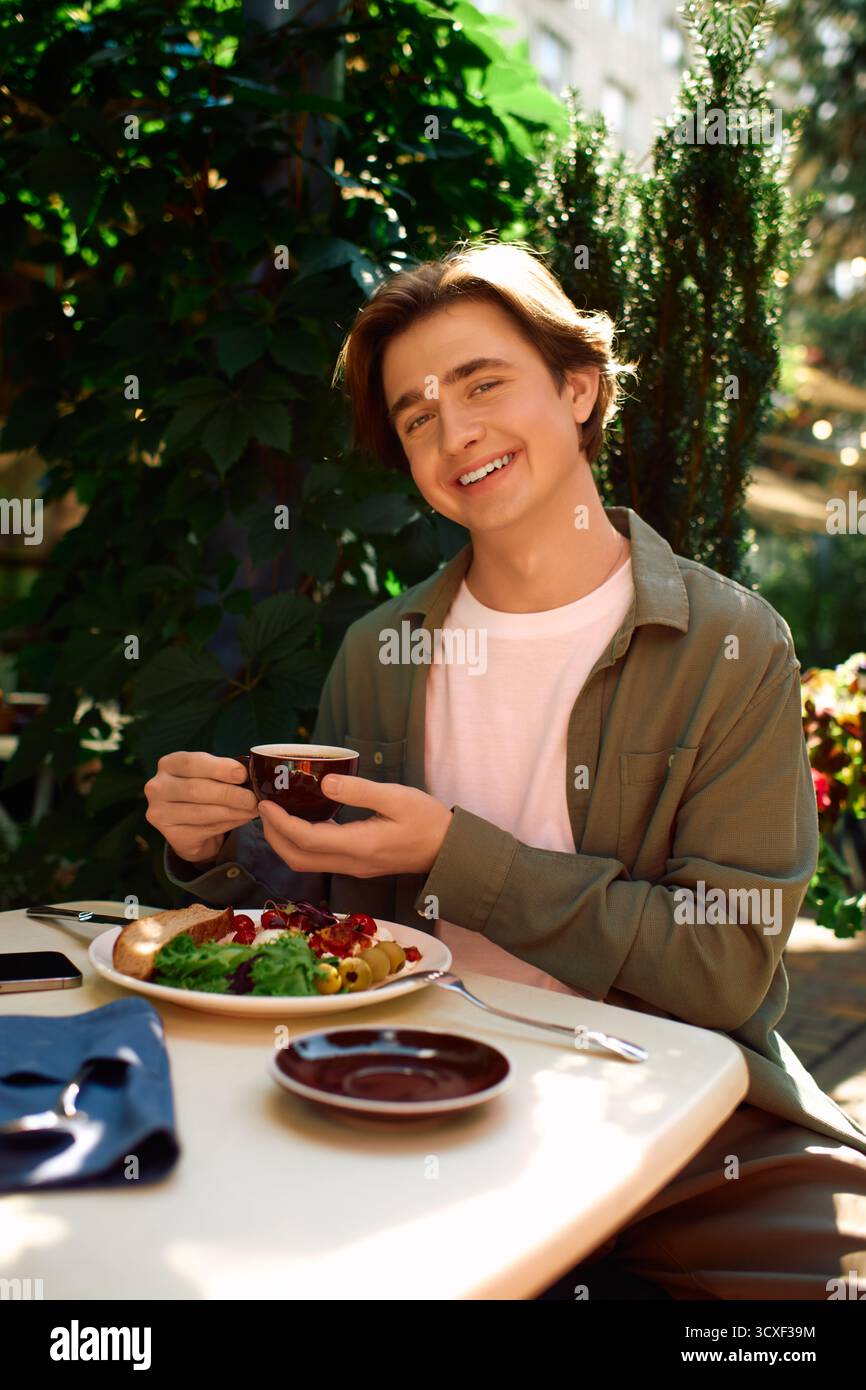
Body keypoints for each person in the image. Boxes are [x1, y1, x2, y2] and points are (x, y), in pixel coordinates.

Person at [145, 239, 866, 1299]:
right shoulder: (377, 653)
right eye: (416, 414)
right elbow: (328, 919)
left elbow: (723, 971)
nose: (457, 433)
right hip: (402, 1092)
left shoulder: (730, 641)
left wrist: (457, 854)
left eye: (483, 384)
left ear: (577, 388)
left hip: (684, 1121)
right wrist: (210, 852)